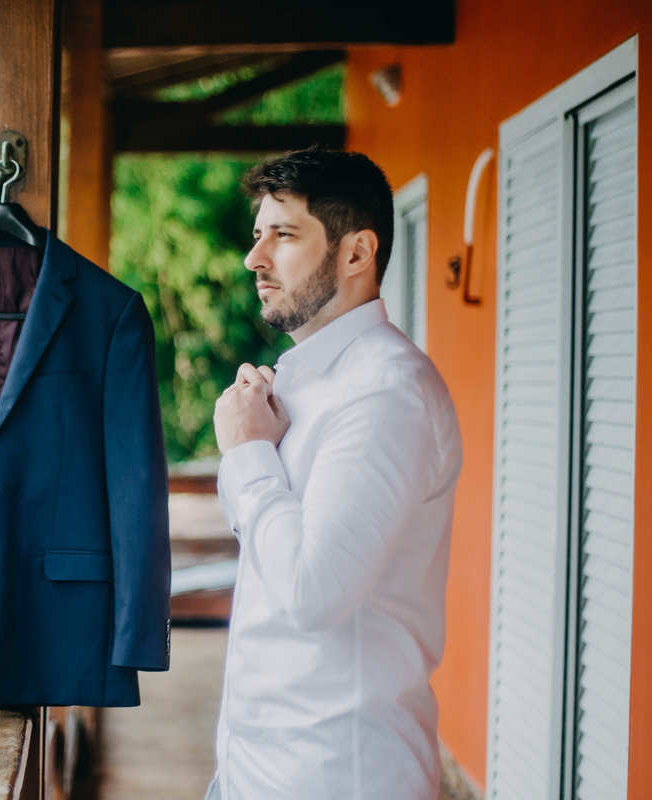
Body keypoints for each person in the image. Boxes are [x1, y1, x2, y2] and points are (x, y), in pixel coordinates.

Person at [206, 147, 463, 800]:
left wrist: (247, 454)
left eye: (283, 235)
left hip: (335, 774)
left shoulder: (384, 393)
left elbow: (313, 591)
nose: (253, 258)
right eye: (258, 234)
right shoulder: (306, 380)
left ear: (355, 254)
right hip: (254, 765)